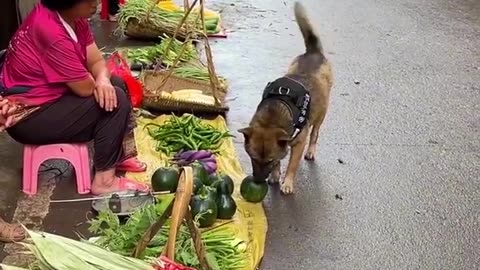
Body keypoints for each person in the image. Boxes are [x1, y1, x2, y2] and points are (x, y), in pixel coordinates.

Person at [0, 0, 150, 195]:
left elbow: (96, 60)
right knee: (117, 100)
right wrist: (99, 82)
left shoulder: (73, 19)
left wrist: (103, 80)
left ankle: (119, 155)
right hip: (27, 116)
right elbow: (84, 88)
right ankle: (104, 181)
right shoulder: (50, 29)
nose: (96, 2)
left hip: (48, 99)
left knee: (115, 84)